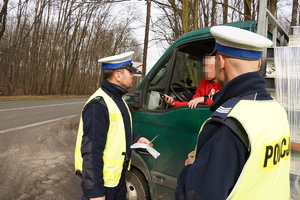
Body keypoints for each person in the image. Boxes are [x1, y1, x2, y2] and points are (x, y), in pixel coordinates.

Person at [175, 26, 291, 200]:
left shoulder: (229, 123)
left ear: (221, 62)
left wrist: (190, 169)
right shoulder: (277, 110)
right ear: (258, 64)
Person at [74, 51, 152, 200]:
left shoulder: (117, 99)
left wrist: (136, 139)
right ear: (118, 75)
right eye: (130, 72)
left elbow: (116, 131)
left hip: (117, 180)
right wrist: (96, 192)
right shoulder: (98, 105)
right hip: (103, 185)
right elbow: (91, 152)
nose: (133, 76)